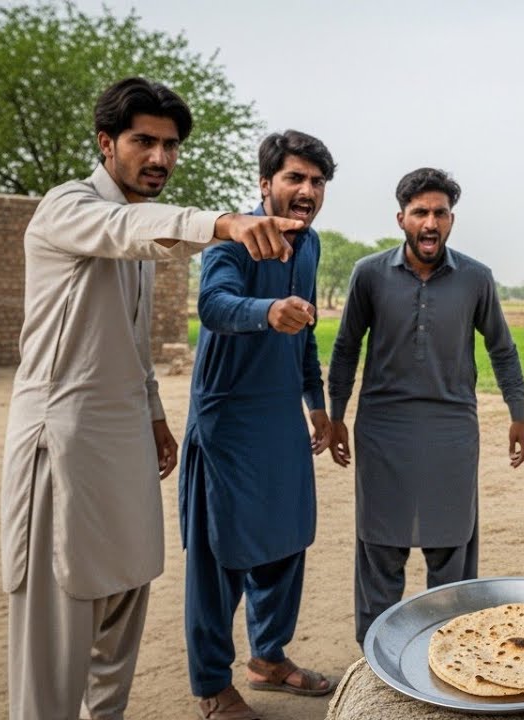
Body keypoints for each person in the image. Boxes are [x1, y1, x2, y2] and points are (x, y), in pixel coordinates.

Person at [0, 77, 303, 720]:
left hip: (127, 442)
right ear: (107, 142)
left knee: (126, 598)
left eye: (170, 145)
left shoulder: (139, 236)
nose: (160, 158)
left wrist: (158, 419)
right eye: (145, 141)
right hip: (64, 441)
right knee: (60, 619)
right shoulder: (70, 207)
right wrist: (223, 223)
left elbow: (133, 347)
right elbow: (126, 229)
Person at [327, 167, 524, 645]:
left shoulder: (476, 278)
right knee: (380, 549)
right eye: (420, 212)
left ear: (452, 220)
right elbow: (345, 347)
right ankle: (375, 667)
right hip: (382, 431)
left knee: (451, 551)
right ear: (402, 218)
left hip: (451, 432)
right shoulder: (369, 275)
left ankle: (449, 663)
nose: (430, 222)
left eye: (440, 212)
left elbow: (502, 348)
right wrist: (336, 414)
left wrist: (517, 414)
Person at [180, 130, 337, 719]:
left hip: (280, 418)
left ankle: (268, 657)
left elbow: (306, 329)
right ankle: (211, 684)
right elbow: (213, 307)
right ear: (265, 183)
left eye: (317, 182)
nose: (307, 191)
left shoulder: (312, 244)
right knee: (220, 557)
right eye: (295, 178)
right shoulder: (234, 244)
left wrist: (315, 403)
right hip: (228, 420)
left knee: (286, 541)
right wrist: (267, 311)